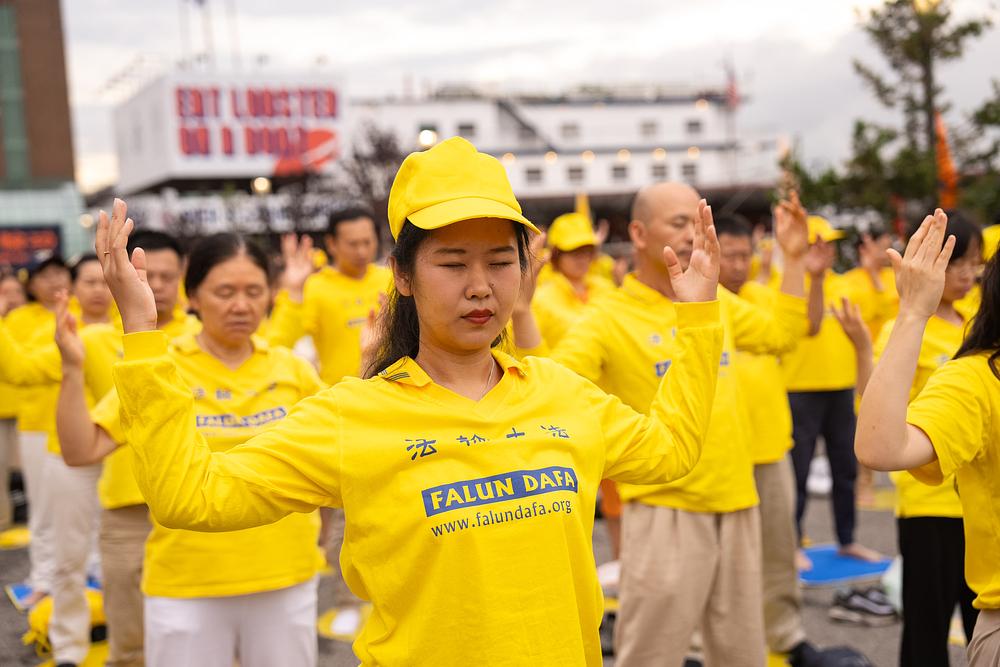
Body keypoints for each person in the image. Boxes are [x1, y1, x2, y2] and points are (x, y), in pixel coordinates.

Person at [96, 136, 724, 665]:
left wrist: (697, 321)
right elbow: (191, 498)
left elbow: (670, 452)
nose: (480, 287)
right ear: (402, 275)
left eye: (501, 262)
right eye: (452, 263)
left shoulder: (562, 394)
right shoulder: (352, 415)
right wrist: (145, 343)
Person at [513, 183, 809, 667]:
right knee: (651, 657)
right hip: (664, 508)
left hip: (738, 502)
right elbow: (548, 392)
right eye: (679, 222)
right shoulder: (607, 316)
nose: (695, 234)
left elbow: (783, 335)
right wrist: (521, 312)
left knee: (743, 656)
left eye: (699, 221)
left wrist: (793, 259)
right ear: (638, 233)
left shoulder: (713, 301)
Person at [58, 224, 326, 667]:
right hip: (187, 584)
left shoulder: (293, 370)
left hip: (286, 575)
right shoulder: (160, 367)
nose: (241, 305)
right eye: (224, 291)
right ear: (194, 296)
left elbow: (332, 460)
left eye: (254, 291)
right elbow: (80, 450)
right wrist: (71, 370)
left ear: (271, 295)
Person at [856, 209, 1000, 666]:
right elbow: (879, 429)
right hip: (930, 502)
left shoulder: (967, 323)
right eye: (959, 261)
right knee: (928, 624)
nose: (965, 273)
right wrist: (911, 313)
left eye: (974, 263)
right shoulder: (975, 372)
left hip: (968, 506)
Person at [715, 214, 825, 665]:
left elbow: (797, 329)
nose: (739, 264)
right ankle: (708, 647)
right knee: (720, 562)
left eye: (746, 255)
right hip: (720, 454)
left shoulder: (761, 297)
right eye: (731, 255)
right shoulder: (696, 301)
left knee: (780, 549)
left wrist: (799, 262)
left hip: (769, 445)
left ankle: (785, 634)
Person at [782, 216, 880, 565]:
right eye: (819, 244)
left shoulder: (847, 284)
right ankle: (793, 543)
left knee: (845, 469)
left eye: (830, 243)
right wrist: (816, 277)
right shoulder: (789, 285)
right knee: (799, 471)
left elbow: (871, 320)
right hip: (799, 388)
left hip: (840, 388)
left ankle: (847, 539)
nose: (828, 250)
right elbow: (808, 324)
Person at [4, 254, 71, 606]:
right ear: (32, 284)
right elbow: (14, 366)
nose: (54, 281)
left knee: (85, 510)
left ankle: (87, 573)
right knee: (43, 508)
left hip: (80, 425)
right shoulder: (18, 318)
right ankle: (43, 576)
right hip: (37, 425)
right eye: (46, 276)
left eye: (61, 273)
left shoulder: (83, 311)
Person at [268, 206, 391, 386]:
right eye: (353, 244)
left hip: (389, 392)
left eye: (367, 242)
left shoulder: (389, 279)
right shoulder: (314, 286)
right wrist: (294, 292)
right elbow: (278, 344)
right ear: (332, 243)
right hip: (340, 397)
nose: (361, 252)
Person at [0, 270, 27, 534]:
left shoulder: (30, 321)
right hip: (3, 409)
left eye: (16, 292)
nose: (11, 299)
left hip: (25, 408)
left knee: (25, 470)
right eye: (5, 293)